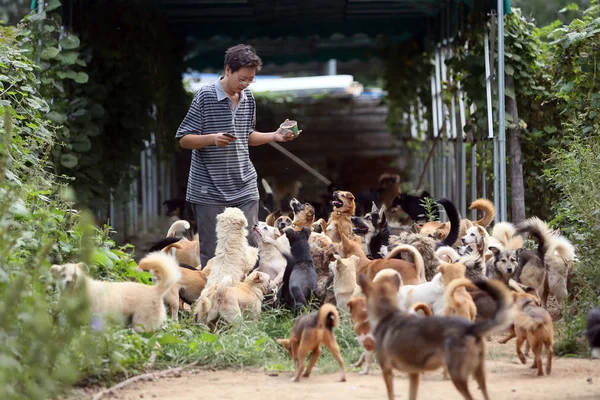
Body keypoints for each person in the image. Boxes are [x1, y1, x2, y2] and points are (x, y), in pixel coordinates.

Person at [176, 44, 301, 268]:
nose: (245, 85)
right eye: (242, 79)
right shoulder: (204, 96)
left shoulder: (248, 98)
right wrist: (212, 138)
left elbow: (247, 136)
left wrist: (275, 136)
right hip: (208, 189)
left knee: (252, 247)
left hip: (244, 185)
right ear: (227, 70)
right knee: (213, 252)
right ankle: (214, 300)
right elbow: (184, 139)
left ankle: (249, 297)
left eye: (250, 80)